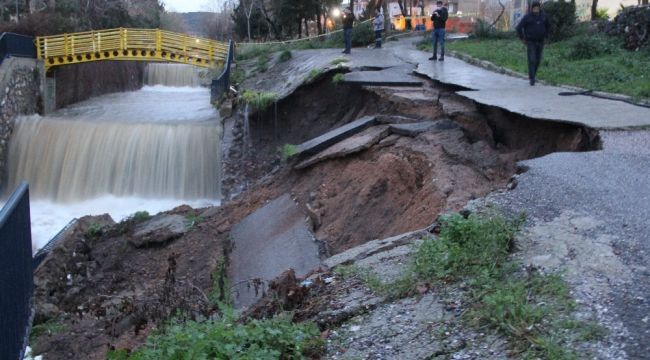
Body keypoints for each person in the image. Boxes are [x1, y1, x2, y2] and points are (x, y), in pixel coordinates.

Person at [516, 1, 550, 86]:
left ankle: (533, 74)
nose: (536, 9)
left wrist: (546, 36)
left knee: (537, 60)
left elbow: (548, 26)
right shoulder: (527, 17)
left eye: (537, 8)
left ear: (539, 8)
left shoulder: (544, 16)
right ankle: (532, 78)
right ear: (532, 8)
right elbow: (519, 28)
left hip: (541, 41)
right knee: (532, 60)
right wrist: (522, 38)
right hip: (531, 41)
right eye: (534, 8)